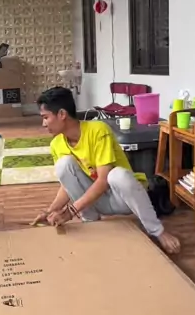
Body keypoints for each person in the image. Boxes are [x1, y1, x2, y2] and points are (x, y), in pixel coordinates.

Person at [32, 86, 180, 255]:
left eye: (46, 117)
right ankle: (91, 221)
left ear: (62, 114)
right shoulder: (56, 144)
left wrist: (72, 211)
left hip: (122, 199)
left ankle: (158, 231)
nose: (43, 124)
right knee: (63, 165)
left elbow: (103, 180)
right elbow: (68, 185)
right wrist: (50, 211)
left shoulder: (98, 130)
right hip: (96, 201)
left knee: (117, 175)